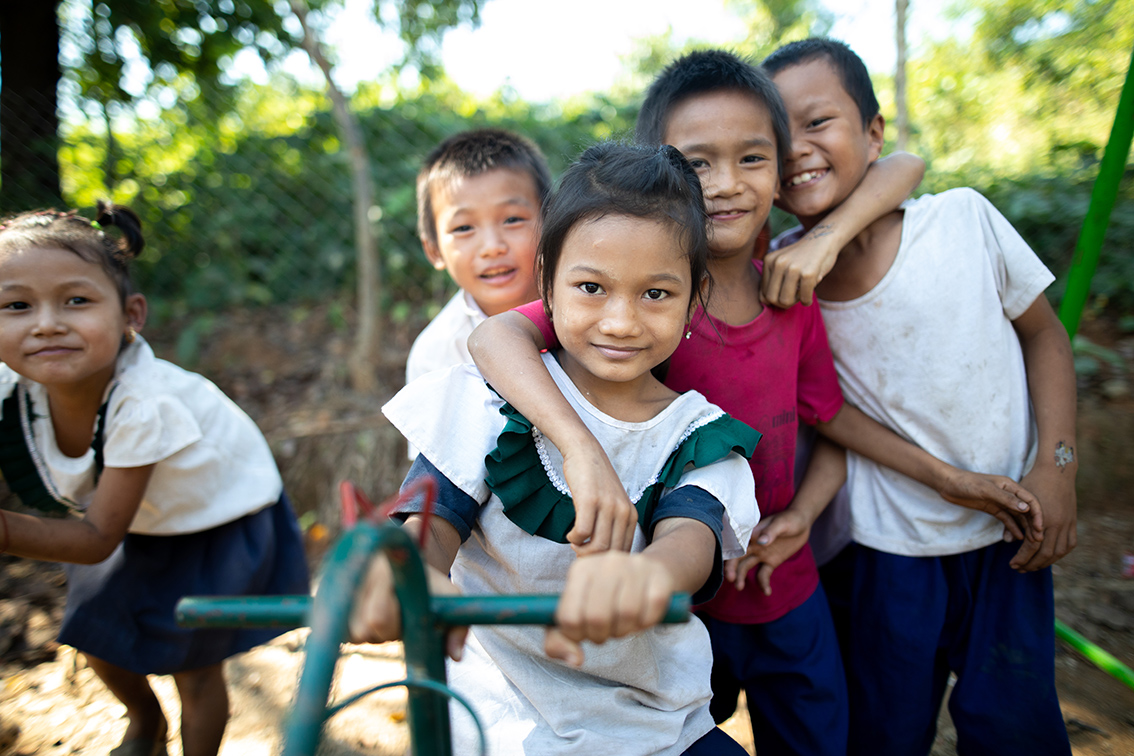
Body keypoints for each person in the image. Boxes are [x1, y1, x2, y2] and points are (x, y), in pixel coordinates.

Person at [467, 50, 1044, 756]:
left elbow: (827, 415)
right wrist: (579, 448)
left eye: (751, 159)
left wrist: (802, 515)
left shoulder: (787, 290)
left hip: (782, 578)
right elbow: (496, 337)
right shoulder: (641, 307)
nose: (725, 184)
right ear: (664, 174)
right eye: (697, 164)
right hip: (676, 585)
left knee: (819, 736)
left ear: (779, 170)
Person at [350, 142, 761, 755]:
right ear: (546, 281)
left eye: (655, 294)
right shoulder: (484, 401)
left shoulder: (697, 434)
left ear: (694, 295)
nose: (620, 322)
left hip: (654, 731)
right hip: (496, 727)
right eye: (592, 287)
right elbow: (430, 528)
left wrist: (645, 577)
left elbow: (690, 545)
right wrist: (403, 571)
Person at [762, 37, 1077, 755]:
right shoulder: (779, 277)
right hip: (886, 549)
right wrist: (945, 479)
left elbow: (1045, 337)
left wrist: (1057, 467)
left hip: (1010, 532)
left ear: (872, 133)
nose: (796, 149)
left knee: (1017, 730)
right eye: (774, 137)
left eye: (818, 122)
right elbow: (826, 411)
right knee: (885, 734)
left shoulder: (961, 220)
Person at [0, 204, 310, 756]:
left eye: (76, 301)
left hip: (214, 522)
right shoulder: (11, 386)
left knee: (194, 668)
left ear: (131, 315)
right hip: (134, 520)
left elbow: (97, 539)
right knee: (97, 638)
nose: (47, 323)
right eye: (17, 305)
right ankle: (145, 725)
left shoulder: (144, 404)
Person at [405, 127, 550, 387]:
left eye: (512, 220)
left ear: (550, 223)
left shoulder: (589, 307)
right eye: (464, 228)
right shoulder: (436, 358)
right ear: (434, 250)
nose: (492, 247)